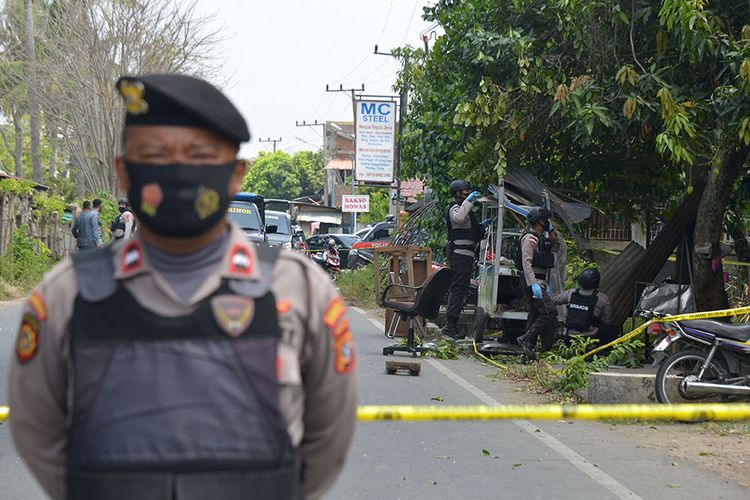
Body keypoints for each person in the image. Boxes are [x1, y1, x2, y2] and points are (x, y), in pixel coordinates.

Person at [9, 73, 358, 500]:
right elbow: (36, 430)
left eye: (199, 155)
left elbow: (329, 436)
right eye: (155, 155)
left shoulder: (300, 290)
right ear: (124, 172)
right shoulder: (67, 295)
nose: (177, 172)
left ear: (235, 174)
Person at [442, 179, 491, 340]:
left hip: (466, 255)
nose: (468, 192)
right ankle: (450, 325)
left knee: (462, 289)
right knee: (458, 289)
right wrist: (469, 201)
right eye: (465, 191)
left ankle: (452, 325)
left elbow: (472, 229)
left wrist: (482, 227)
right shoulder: (455, 208)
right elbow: (459, 219)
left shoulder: (466, 209)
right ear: (457, 193)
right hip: (459, 255)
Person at [517, 207, 561, 362]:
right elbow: (526, 263)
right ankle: (526, 338)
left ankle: (526, 353)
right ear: (537, 221)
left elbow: (556, 247)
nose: (546, 224)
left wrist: (552, 231)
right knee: (550, 311)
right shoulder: (530, 239)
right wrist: (533, 284)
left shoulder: (542, 238)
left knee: (535, 314)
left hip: (541, 281)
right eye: (544, 221)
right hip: (534, 282)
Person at [553, 267, 616, 346]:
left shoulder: (571, 293)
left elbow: (554, 300)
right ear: (596, 282)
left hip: (569, 336)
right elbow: (608, 321)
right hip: (589, 338)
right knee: (613, 329)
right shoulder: (603, 299)